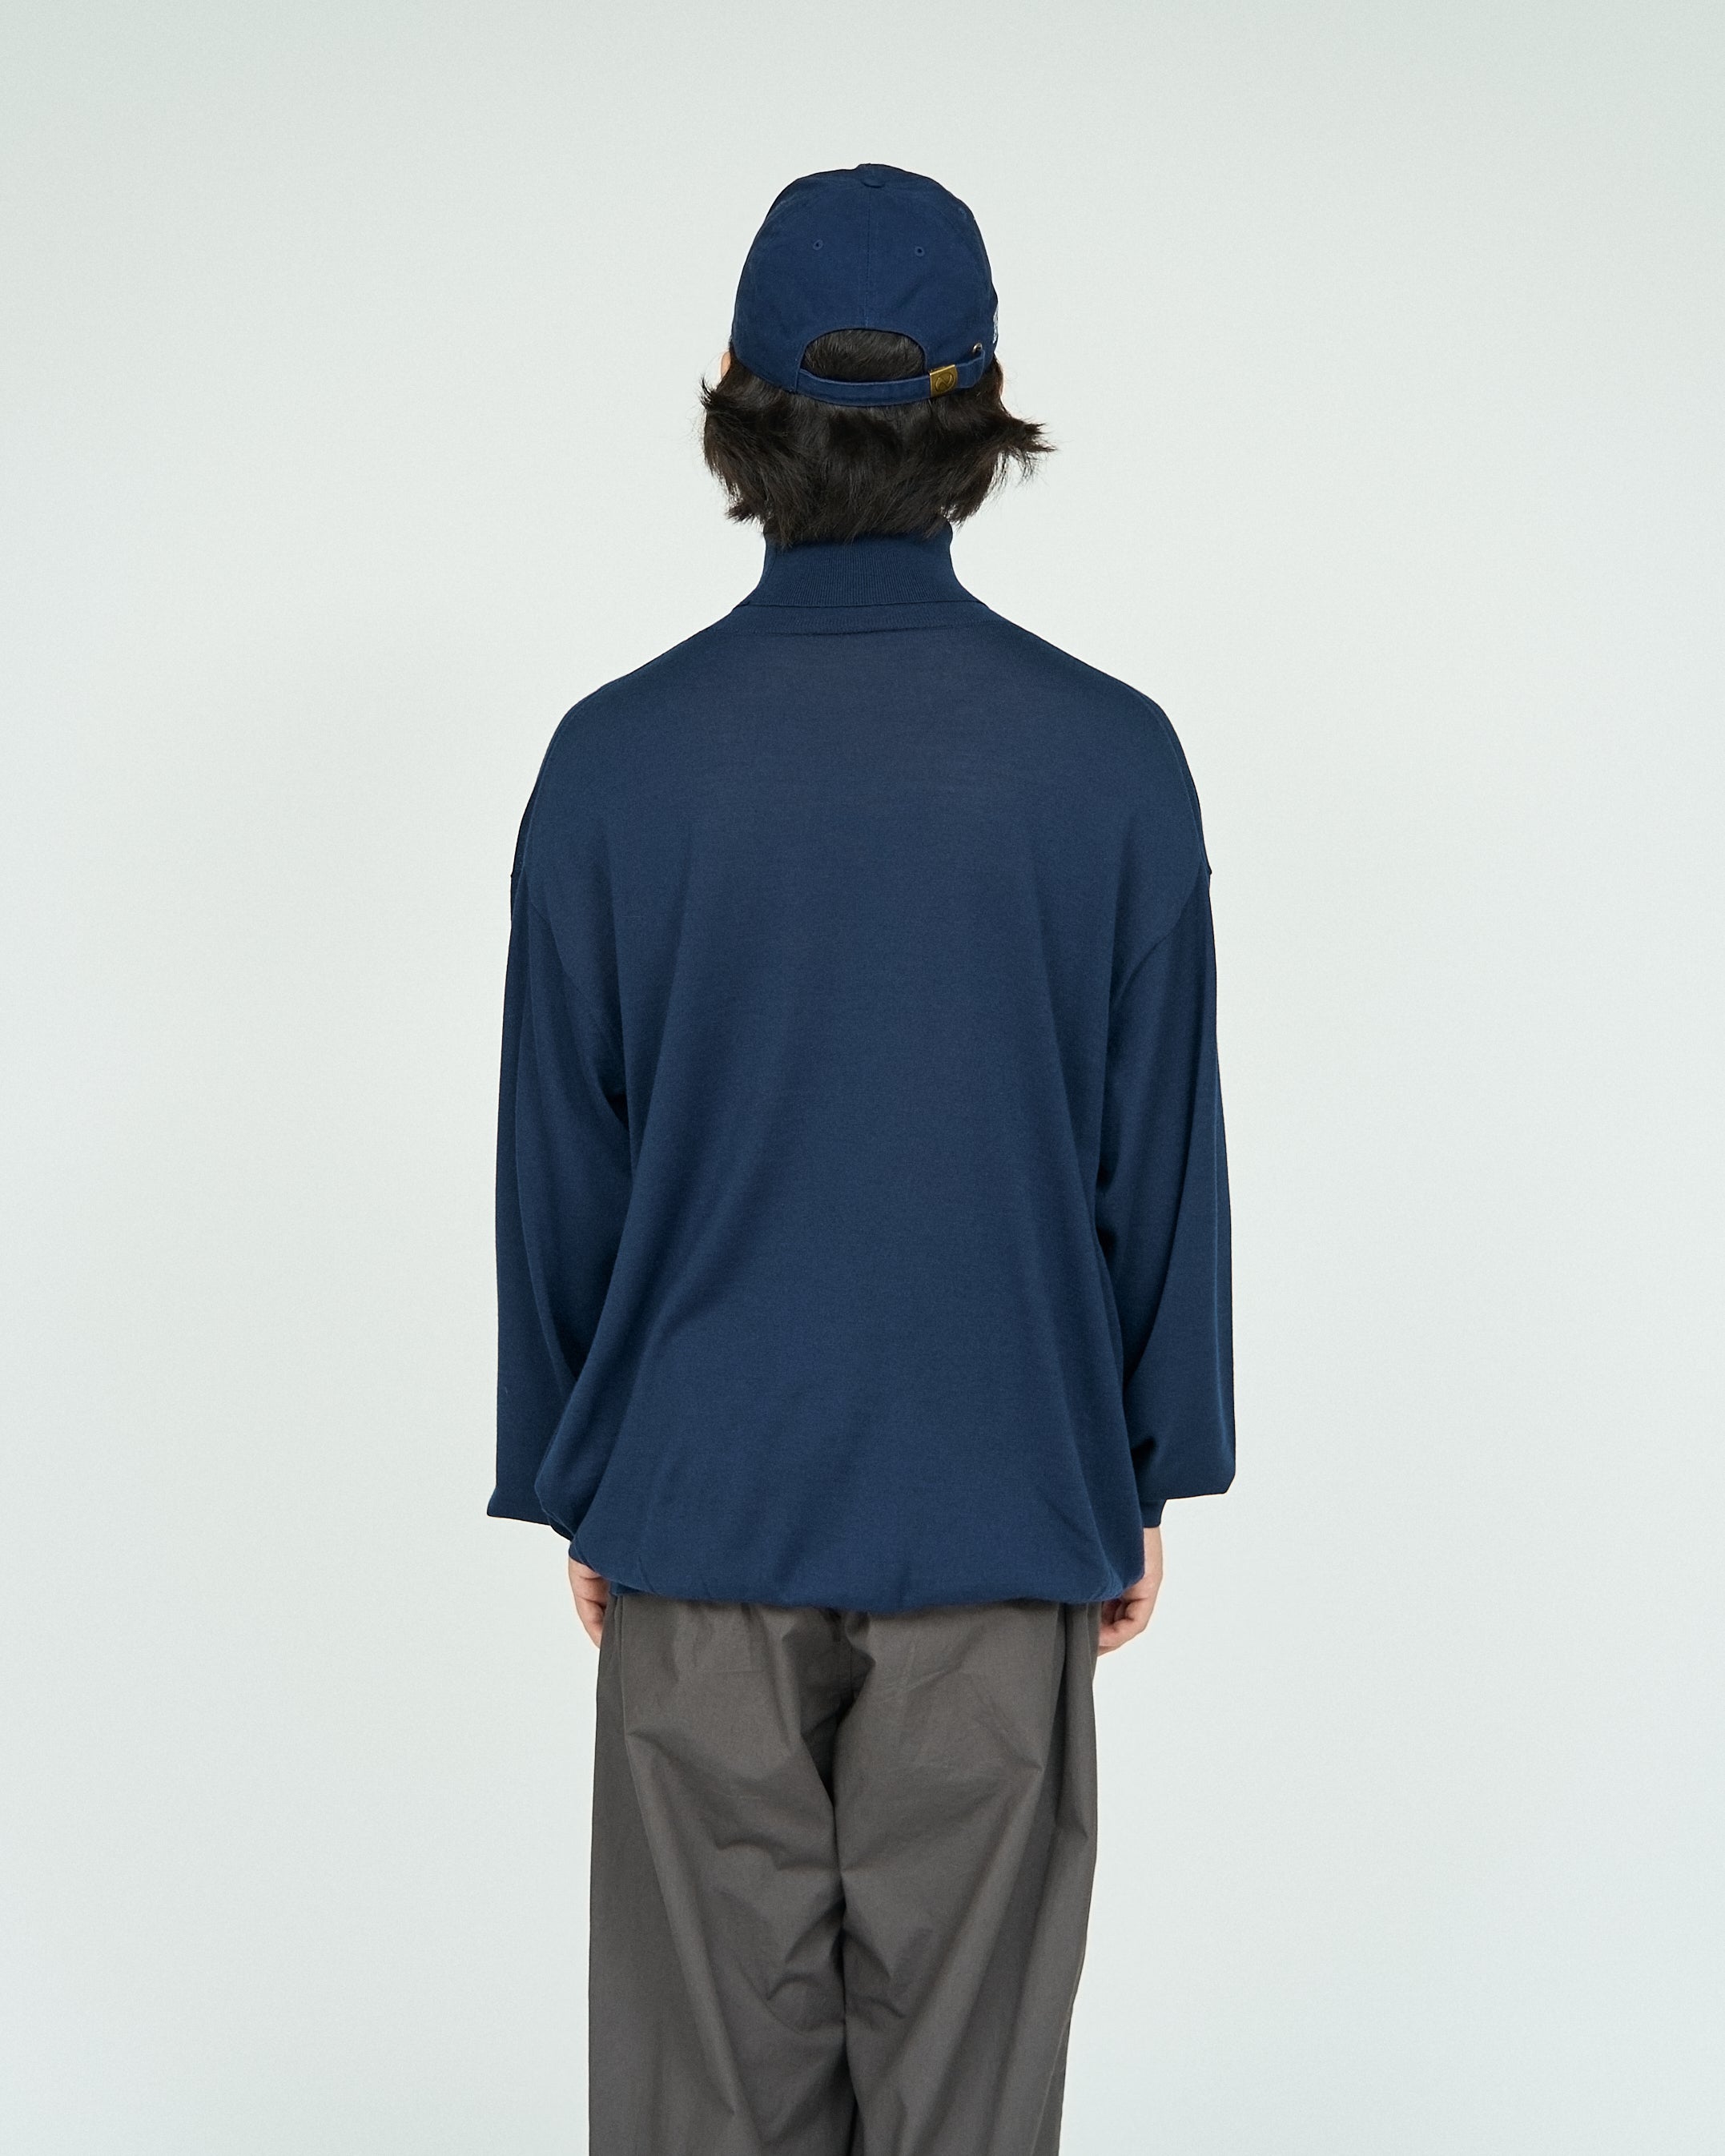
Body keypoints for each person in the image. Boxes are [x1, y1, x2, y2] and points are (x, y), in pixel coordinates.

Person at [489, 162, 1235, 2156]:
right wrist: (1143, 1463)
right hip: (1005, 1503)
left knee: (699, 2112)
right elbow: (1157, 1153)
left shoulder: (613, 759)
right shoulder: (1112, 758)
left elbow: (561, 1164)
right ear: (979, 418)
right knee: (968, 2107)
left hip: (697, 1506)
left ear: (737, 402)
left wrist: (581, 1468)